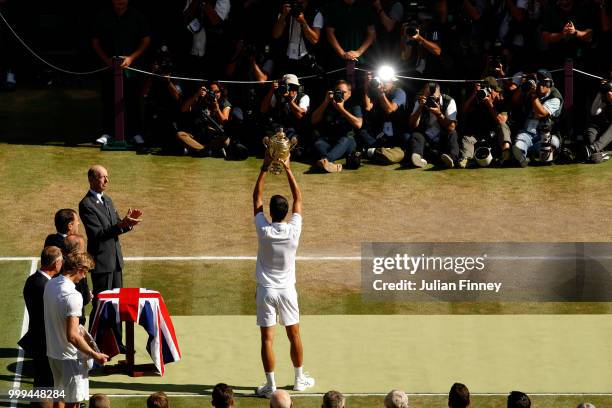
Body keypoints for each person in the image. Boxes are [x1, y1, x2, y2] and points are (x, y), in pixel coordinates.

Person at [252, 153, 314, 398]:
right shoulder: (294, 229)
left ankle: (270, 386)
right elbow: (298, 197)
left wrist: (265, 167)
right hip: (287, 291)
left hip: (266, 291)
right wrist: (288, 168)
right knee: (294, 334)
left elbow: (256, 197)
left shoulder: (263, 229)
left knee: (267, 339)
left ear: (270, 212)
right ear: (287, 212)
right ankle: (299, 380)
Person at [78, 165, 142, 332]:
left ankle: (117, 342)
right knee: (102, 305)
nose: (107, 180)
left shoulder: (108, 200)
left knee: (117, 304)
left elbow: (116, 225)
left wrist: (128, 224)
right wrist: (121, 224)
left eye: (107, 176)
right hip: (101, 264)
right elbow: (97, 234)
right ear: (91, 180)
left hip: (115, 262)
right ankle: (96, 340)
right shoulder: (86, 205)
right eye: (102, 177)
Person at [43, 252, 109, 408]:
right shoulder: (74, 296)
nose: (84, 276)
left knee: (59, 396)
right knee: (73, 403)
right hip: (71, 359)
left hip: (53, 352)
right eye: (85, 272)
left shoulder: (50, 284)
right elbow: (72, 336)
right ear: (79, 269)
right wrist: (94, 354)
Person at [91, 0, 151, 146]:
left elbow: (146, 40)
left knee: (133, 100)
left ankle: (135, 133)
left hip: (131, 67)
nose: (120, 1)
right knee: (108, 98)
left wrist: (131, 58)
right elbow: (95, 41)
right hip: (108, 66)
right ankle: (108, 132)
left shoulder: (137, 16)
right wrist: (106, 60)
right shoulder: (103, 16)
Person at [18, 246, 63, 406]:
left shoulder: (33, 280)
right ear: (55, 263)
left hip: (38, 338)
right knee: (46, 381)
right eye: (61, 260)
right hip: (46, 341)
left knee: (42, 380)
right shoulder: (46, 286)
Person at [44, 209, 90, 326]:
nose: (79, 224)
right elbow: (82, 289)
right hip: (73, 308)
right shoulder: (74, 245)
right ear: (70, 226)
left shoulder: (50, 240)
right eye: (76, 221)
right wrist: (86, 295)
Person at [512, 69, 563, 167]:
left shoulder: (555, 96)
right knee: (519, 142)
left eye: (543, 82)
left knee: (553, 142)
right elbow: (514, 101)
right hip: (527, 133)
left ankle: (535, 154)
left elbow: (541, 113)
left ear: (550, 84)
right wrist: (523, 86)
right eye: (538, 81)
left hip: (545, 134)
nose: (540, 85)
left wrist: (534, 95)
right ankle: (522, 157)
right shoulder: (530, 89)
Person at [459, 77, 512, 168]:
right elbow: (463, 111)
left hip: (495, 135)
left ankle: (506, 152)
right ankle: (467, 159)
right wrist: (474, 95)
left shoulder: (500, 102)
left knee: (503, 126)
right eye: (496, 91)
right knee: (467, 138)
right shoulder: (478, 99)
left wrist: (490, 105)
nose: (498, 93)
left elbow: (502, 121)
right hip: (479, 135)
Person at [311, 80, 363, 172]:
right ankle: (332, 165)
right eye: (338, 92)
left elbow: (358, 124)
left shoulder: (354, 105)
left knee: (345, 139)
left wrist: (341, 109)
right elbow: (314, 120)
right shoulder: (329, 104)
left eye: (344, 92)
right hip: (330, 141)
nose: (340, 94)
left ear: (349, 94)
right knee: (318, 143)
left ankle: (326, 160)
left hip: (347, 143)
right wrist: (325, 102)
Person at [359, 70, 409, 164]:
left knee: (406, 138)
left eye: (385, 81)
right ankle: (380, 152)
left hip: (397, 132)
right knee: (363, 132)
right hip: (380, 133)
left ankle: (373, 152)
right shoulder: (375, 90)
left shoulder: (399, 92)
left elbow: (390, 110)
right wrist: (366, 85)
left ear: (392, 82)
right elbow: (368, 107)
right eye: (381, 80)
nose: (383, 84)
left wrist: (381, 93)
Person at [408, 81, 459, 168]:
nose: (431, 101)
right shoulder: (419, 101)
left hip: (442, 140)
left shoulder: (449, 101)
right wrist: (420, 107)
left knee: (453, 133)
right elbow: (413, 125)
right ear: (424, 94)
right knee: (416, 134)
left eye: (434, 98)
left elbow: (451, 127)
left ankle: (451, 158)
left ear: (440, 94)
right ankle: (417, 157)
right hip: (426, 141)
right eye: (429, 98)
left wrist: (439, 114)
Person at [260, 74, 311, 159]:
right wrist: (271, 90)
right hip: (279, 128)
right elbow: (263, 109)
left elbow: (300, 115)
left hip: (296, 129)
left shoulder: (303, 97)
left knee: (296, 148)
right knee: (267, 140)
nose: (291, 89)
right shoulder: (277, 94)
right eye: (288, 86)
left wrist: (290, 101)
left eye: (293, 87)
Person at [177, 81, 232, 157]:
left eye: (217, 92)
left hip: (213, 137)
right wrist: (196, 95)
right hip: (197, 136)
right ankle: (206, 151)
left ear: (221, 92)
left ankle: (198, 150)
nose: (215, 94)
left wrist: (217, 109)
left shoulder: (224, 103)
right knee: (180, 135)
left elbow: (224, 122)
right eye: (212, 92)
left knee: (226, 141)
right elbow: (183, 109)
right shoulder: (200, 99)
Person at [271, 0, 324, 76]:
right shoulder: (286, 9)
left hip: (305, 59)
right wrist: (283, 16)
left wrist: (303, 22)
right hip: (286, 57)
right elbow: (276, 35)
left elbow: (314, 40)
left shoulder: (315, 13)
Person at [325, 0, 376, 67]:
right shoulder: (333, 7)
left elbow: (371, 33)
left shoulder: (366, 7)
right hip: (338, 60)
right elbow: (329, 33)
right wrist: (343, 54)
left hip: (362, 60)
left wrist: (358, 52)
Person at [583, 78, 612, 163]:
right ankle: (598, 153)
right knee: (590, 132)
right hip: (603, 132)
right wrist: (600, 92)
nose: (609, 94)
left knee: (592, 148)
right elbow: (594, 112)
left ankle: (594, 148)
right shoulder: (604, 101)